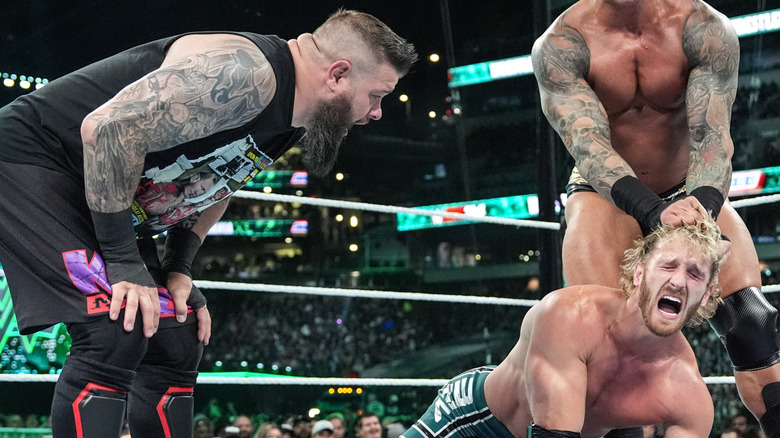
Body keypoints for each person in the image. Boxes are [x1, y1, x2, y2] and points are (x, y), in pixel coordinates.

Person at [0, 9, 416, 438]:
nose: (378, 112)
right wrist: (125, 263)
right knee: (116, 324)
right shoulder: (246, 74)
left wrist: (177, 266)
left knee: (175, 336)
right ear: (338, 74)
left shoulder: (295, 115)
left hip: (104, 194)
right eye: (377, 95)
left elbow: (219, 179)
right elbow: (106, 128)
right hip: (33, 162)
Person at [530, 0, 780, 435]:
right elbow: (588, 146)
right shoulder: (562, 44)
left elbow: (712, 136)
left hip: (689, 187)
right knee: (606, 348)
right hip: (605, 195)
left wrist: (699, 207)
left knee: (752, 324)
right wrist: (651, 210)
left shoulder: (702, 28)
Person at [402, 217, 724, 437]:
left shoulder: (688, 397)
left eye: (695, 274)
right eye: (668, 266)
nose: (679, 281)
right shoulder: (570, 315)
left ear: (707, 293)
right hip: (478, 422)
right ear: (639, 273)